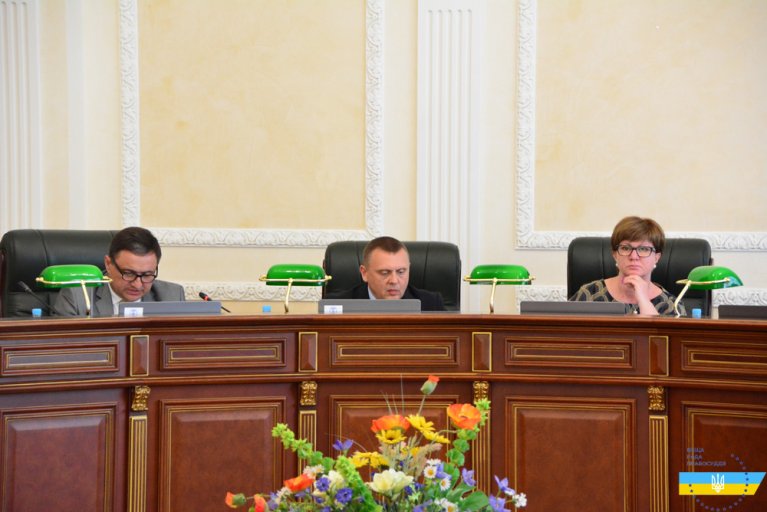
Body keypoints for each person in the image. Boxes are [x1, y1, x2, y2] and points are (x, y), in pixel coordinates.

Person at [54, 226, 185, 317]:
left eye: (147, 275)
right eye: (129, 273)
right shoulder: (77, 298)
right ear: (108, 264)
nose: (137, 285)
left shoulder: (172, 297)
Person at [570, 216, 684, 316]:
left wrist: (643, 300)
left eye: (644, 249)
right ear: (615, 255)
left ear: (657, 257)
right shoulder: (590, 294)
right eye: (625, 248)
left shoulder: (671, 305)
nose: (634, 256)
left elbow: (657, 334)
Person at [328, 236, 446, 311]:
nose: (394, 281)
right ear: (364, 273)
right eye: (384, 273)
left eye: (401, 272)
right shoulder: (338, 305)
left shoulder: (431, 305)